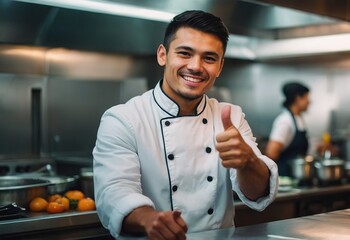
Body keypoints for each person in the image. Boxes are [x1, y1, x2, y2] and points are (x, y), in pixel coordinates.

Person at [92, 10, 278, 239]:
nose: (196, 66)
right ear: (163, 55)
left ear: (219, 67)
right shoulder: (124, 119)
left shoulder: (230, 117)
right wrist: (150, 219)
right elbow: (114, 192)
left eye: (209, 58)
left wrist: (248, 161)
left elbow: (257, 193)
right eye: (185, 53)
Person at [266, 82, 310, 177]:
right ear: (298, 98)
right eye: (307, 98)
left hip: (297, 175)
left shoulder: (299, 118)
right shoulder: (285, 121)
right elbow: (271, 153)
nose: (309, 102)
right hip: (285, 176)